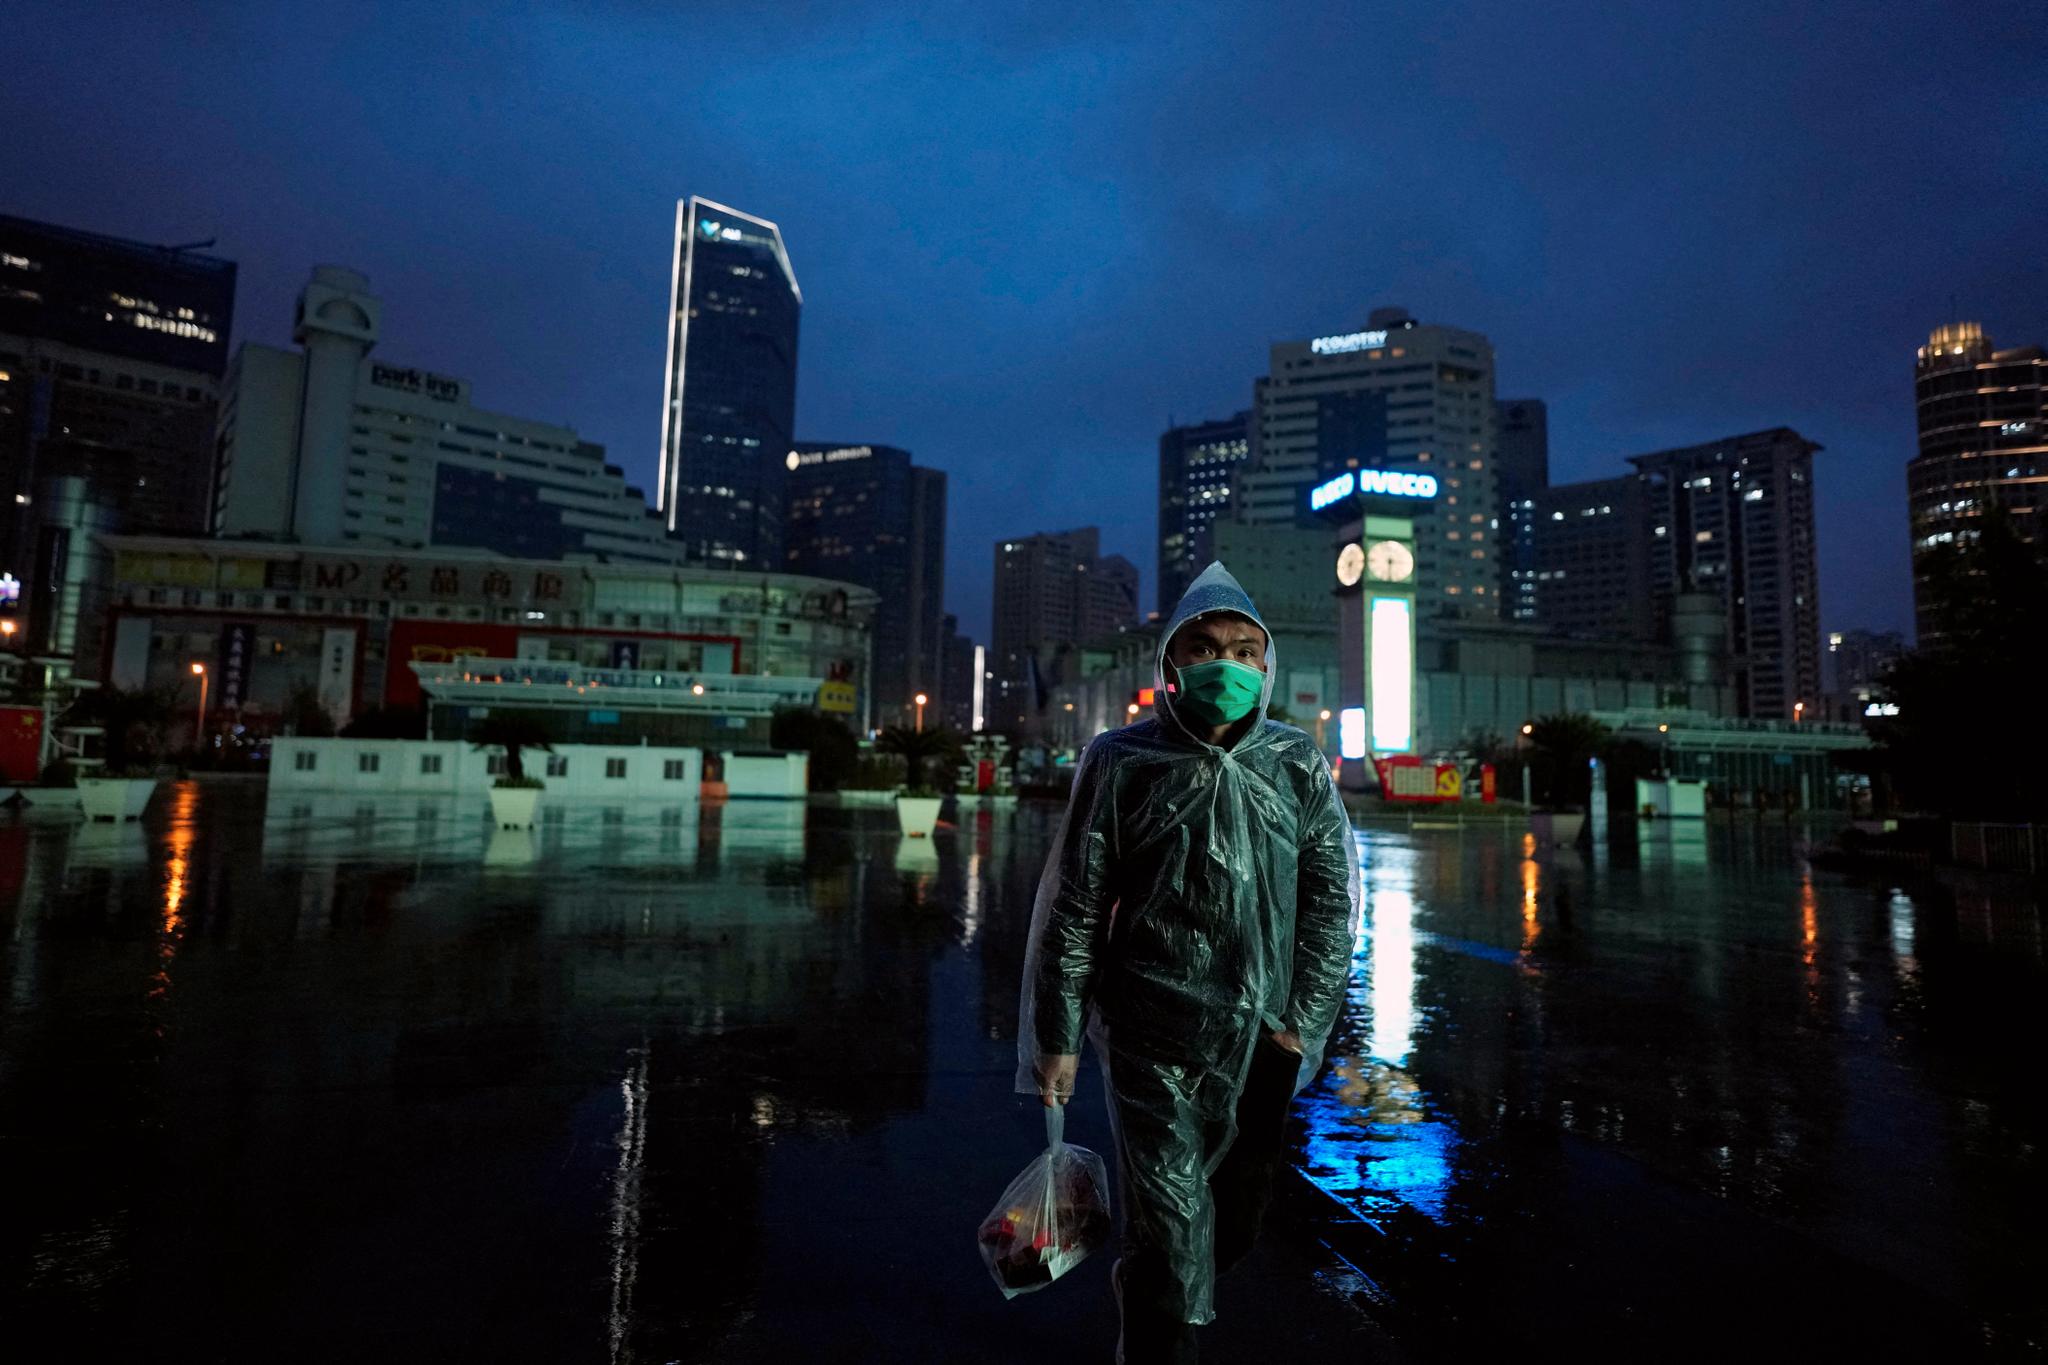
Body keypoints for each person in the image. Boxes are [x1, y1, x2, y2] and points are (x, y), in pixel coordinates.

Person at [1016, 562, 1360, 1364]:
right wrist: (1056, 1036)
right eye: (1204, 647)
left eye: (1244, 650)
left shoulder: (1296, 763)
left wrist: (1297, 1032)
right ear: (1171, 664)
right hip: (1149, 1034)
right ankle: (1162, 1341)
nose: (1226, 665)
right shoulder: (1121, 760)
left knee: (1232, 1222)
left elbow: (1329, 907)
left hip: (1261, 1044)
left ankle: (1147, 1291)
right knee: (1174, 1224)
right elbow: (1074, 904)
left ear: (1266, 664)